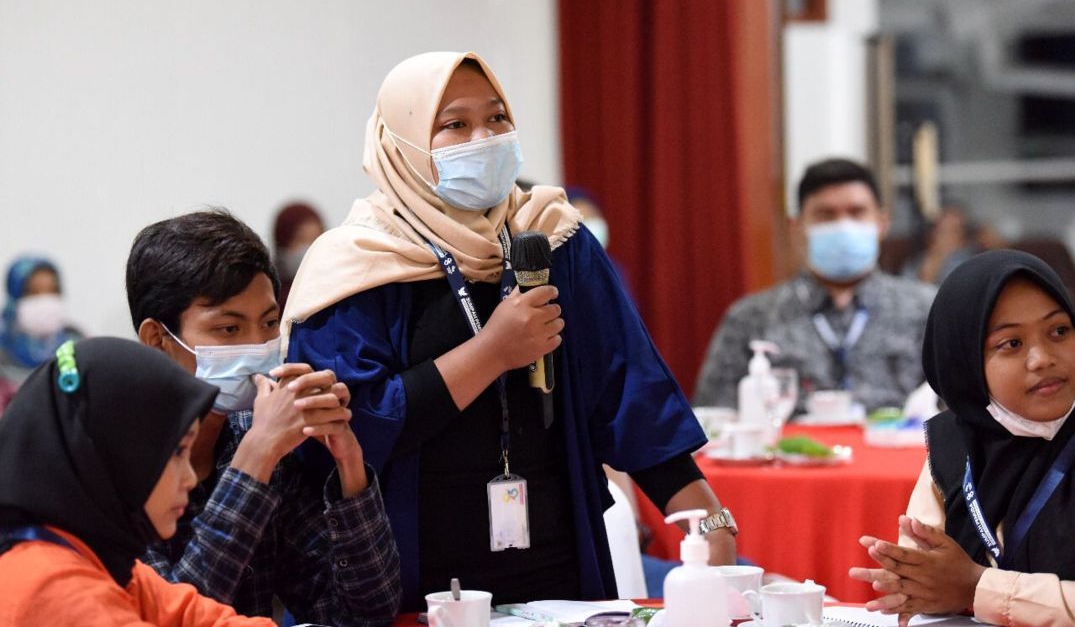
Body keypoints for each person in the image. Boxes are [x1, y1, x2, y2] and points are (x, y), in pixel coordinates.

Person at [283, 52, 735, 609]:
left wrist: (708, 517)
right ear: (401, 144)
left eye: (497, 118)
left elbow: (625, 390)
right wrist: (492, 352)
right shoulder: (355, 265)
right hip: (406, 572)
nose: (485, 137)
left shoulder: (551, 235)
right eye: (455, 125)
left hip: (555, 563)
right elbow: (347, 430)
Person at [126, 210, 400, 624]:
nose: (258, 347)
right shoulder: (115, 463)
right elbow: (173, 619)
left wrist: (349, 465)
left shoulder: (250, 437)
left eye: (269, 323)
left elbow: (362, 614)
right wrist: (256, 457)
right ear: (157, 340)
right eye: (229, 330)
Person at [850, 250, 1075, 627]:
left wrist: (977, 587)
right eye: (1011, 344)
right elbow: (929, 577)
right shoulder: (953, 448)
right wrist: (912, 585)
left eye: (1059, 332)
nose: (1042, 359)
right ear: (964, 363)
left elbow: (964, 586)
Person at [0, 336, 275, 626]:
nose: (190, 479)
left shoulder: (101, 560)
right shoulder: (54, 588)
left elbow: (195, 617)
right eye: (178, 452)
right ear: (115, 454)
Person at [693, 158, 936, 413]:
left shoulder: (927, 310)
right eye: (826, 215)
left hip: (900, 449)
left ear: (882, 223)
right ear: (796, 227)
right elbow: (713, 418)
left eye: (857, 212)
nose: (843, 226)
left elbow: (959, 411)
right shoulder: (751, 318)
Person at [0, 255, 83, 412]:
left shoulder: (77, 345)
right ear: (14, 297)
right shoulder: (2, 353)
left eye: (53, 291)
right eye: (33, 292)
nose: (45, 301)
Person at [273, 201, 326, 312]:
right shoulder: (269, 297)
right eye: (301, 240)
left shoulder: (335, 292)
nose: (309, 248)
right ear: (282, 242)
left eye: (316, 239)